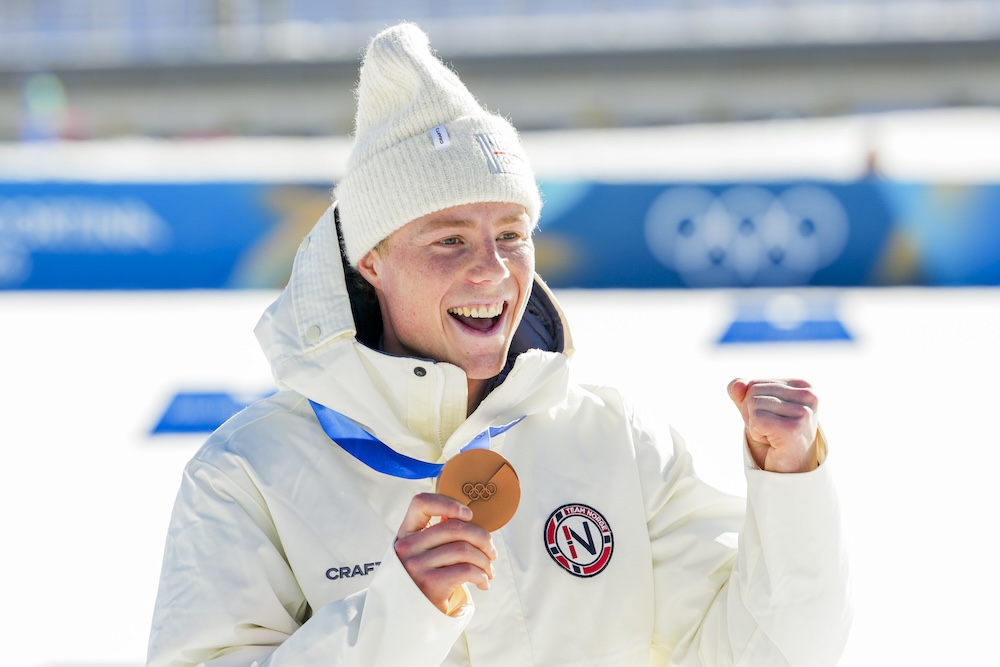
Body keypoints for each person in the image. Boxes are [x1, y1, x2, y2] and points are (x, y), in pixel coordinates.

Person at [147, 22, 850, 667]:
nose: (492, 269)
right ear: (371, 262)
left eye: (511, 234)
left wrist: (790, 487)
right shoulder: (249, 474)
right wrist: (398, 617)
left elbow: (764, 653)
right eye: (449, 239)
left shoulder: (616, 441)